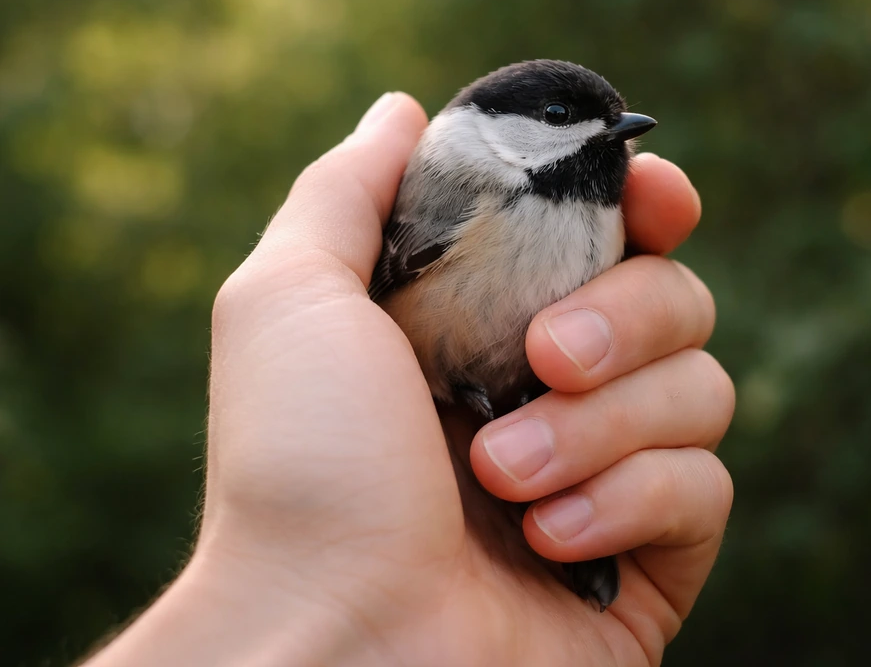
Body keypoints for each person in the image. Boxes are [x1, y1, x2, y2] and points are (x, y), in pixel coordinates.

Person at [82, 92, 735, 666]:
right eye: (560, 117)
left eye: (607, 122)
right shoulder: (463, 185)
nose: (604, 134)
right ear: (491, 130)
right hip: (446, 397)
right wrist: (326, 595)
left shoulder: (609, 208)